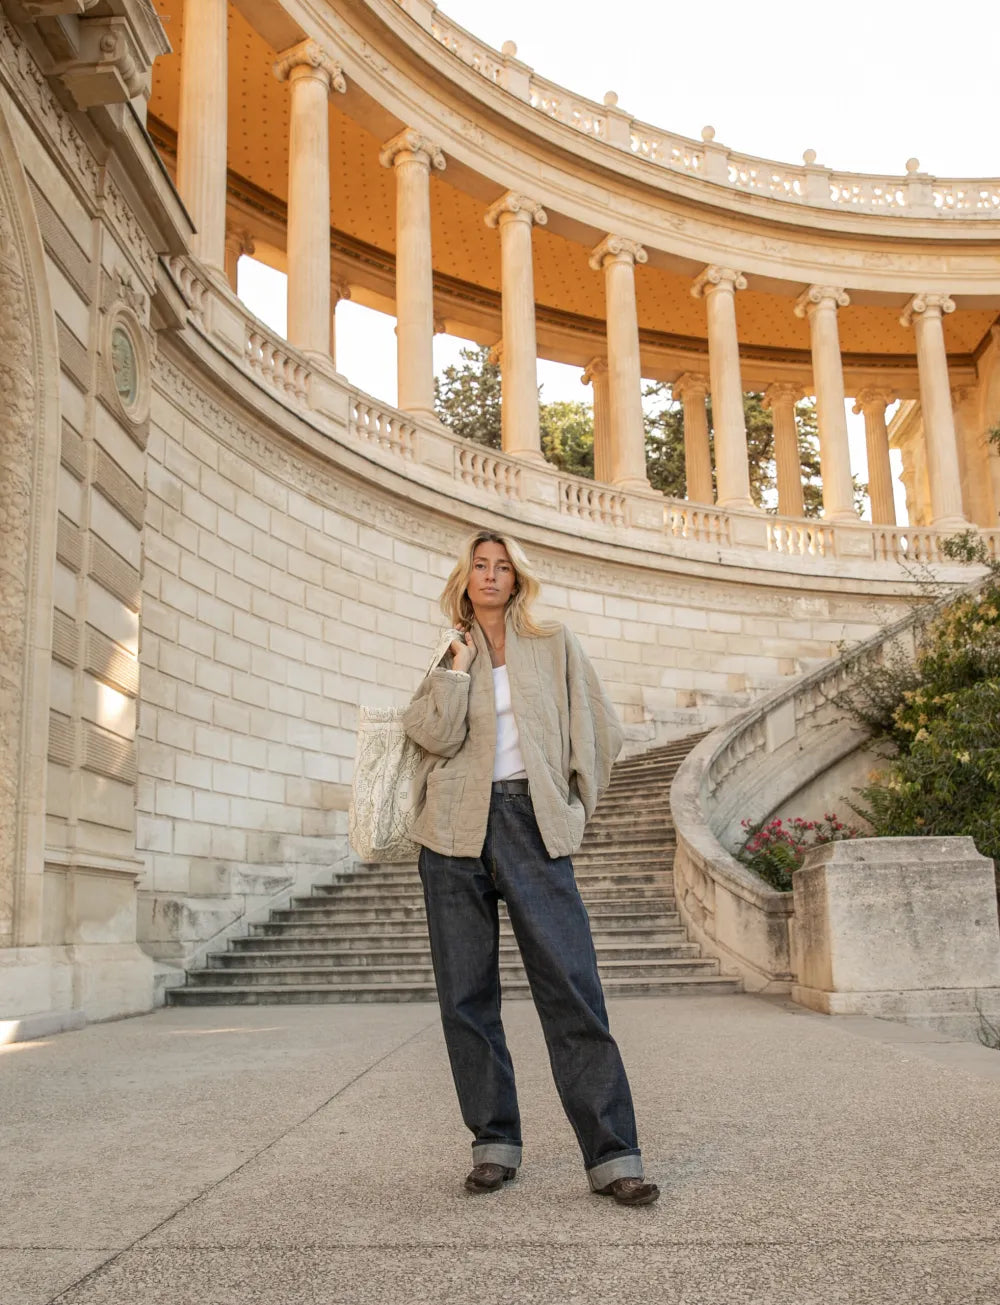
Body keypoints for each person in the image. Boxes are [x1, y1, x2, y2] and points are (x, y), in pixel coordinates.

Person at [402, 529, 659, 1207]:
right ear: (466, 577)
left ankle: (614, 1155)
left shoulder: (553, 643)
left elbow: (600, 729)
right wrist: (457, 671)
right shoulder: (448, 653)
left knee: (571, 985)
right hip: (451, 829)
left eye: (501, 567)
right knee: (466, 995)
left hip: (528, 819)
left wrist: (571, 806)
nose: (490, 576)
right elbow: (428, 735)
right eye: (479, 566)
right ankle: (494, 1144)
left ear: (517, 579)